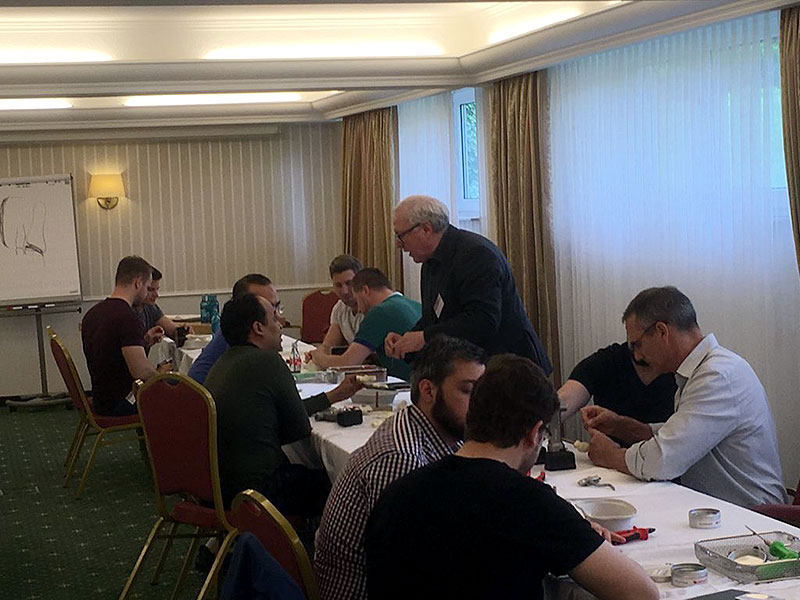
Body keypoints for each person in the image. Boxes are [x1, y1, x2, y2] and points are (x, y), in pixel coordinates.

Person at [363, 354, 659, 600]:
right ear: (534, 433)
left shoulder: (398, 492)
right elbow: (641, 592)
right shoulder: (529, 503)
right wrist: (572, 533)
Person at [314, 335, 487, 600]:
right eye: (468, 391)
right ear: (428, 391)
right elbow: (409, 569)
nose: (480, 405)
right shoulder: (403, 458)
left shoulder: (423, 425)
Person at [584, 286, 787, 507]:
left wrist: (611, 456)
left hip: (753, 517)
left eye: (637, 345)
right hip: (722, 510)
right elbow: (681, 437)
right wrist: (619, 426)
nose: (637, 356)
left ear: (662, 332)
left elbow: (664, 460)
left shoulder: (717, 376)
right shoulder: (703, 370)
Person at [203, 293, 360, 511]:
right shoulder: (268, 361)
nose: (280, 325)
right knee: (345, 483)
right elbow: (298, 429)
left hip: (221, 487)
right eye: (274, 318)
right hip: (260, 491)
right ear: (258, 328)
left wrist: (333, 396)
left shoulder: (224, 362)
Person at [384, 195, 551, 375]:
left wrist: (423, 338)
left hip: (512, 370)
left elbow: (483, 320)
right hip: (473, 369)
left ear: (426, 229)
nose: (398, 244)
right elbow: (434, 318)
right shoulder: (430, 263)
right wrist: (406, 341)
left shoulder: (476, 254)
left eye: (401, 235)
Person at [309, 268, 421, 380]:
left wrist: (318, 357)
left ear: (365, 290)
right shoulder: (415, 305)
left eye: (357, 301)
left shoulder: (379, 312)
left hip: (407, 383)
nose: (359, 310)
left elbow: (347, 363)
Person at [81, 255, 157, 416]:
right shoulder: (127, 317)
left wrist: (143, 342)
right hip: (122, 402)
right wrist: (162, 375)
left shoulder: (93, 313)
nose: (146, 293)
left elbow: (112, 354)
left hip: (102, 399)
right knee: (181, 394)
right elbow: (141, 372)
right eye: (147, 287)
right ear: (138, 282)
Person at [188, 273, 280, 385]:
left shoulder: (232, 334)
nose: (276, 315)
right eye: (268, 306)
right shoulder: (238, 341)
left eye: (276, 306)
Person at [559, 342, 676, 424]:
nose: (638, 355)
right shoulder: (608, 360)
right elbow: (565, 398)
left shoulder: (679, 370)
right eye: (635, 342)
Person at [135, 266, 193, 345]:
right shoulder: (128, 311)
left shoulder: (151, 307)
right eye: (150, 289)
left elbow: (172, 329)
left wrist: (183, 330)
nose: (156, 295)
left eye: (157, 289)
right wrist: (145, 341)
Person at [319, 254, 364, 351]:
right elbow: (328, 346)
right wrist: (316, 354)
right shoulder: (339, 308)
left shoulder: (372, 308)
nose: (344, 291)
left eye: (349, 283)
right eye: (338, 285)